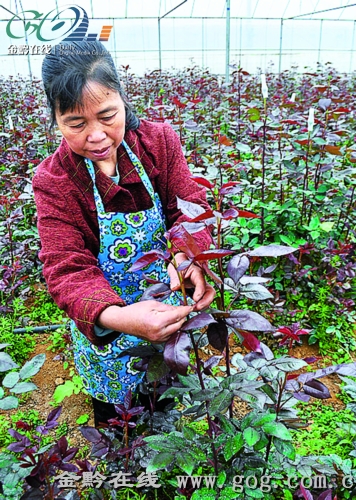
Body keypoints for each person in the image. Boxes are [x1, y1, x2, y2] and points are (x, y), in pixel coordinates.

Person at [32, 40, 215, 427]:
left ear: (122, 99)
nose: (96, 136)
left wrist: (186, 256)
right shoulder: (55, 179)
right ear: (56, 119)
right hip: (107, 328)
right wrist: (116, 316)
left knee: (165, 397)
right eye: (76, 124)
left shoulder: (158, 142)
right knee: (119, 423)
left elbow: (190, 208)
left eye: (107, 115)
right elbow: (67, 268)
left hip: (168, 307)